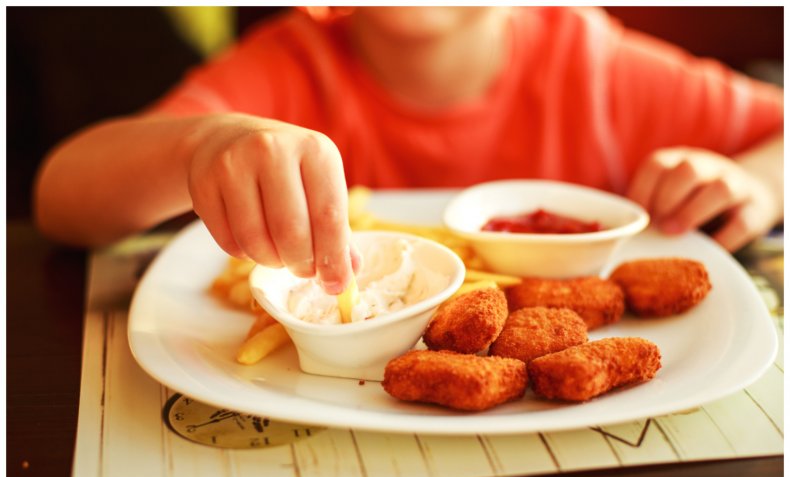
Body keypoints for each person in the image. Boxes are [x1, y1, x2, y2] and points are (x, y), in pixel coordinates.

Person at [33, 7, 783, 295]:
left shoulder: (595, 64)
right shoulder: (287, 66)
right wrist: (198, 146)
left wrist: (753, 181)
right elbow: (60, 197)